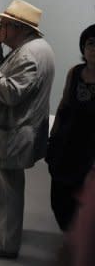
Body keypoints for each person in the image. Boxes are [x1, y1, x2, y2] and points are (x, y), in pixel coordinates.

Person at [0, 0, 55, 258]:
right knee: (5, 187)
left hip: (13, 134)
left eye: (3, 24)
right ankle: (2, 225)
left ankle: (4, 243)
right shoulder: (34, 48)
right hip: (14, 131)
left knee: (6, 189)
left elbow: (9, 92)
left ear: (17, 26)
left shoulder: (29, 53)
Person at [46, 24, 95, 231]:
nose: (94, 49)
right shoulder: (75, 72)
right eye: (91, 44)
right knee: (59, 199)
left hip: (90, 152)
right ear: (83, 48)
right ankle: (69, 238)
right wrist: (53, 137)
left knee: (85, 204)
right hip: (66, 146)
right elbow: (64, 105)